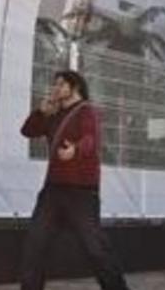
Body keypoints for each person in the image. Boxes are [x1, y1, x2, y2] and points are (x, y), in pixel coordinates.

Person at [19, 70, 130, 290]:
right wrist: (40, 112)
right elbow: (27, 131)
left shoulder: (87, 111)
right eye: (55, 85)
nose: (55, 89)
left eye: (61, 84)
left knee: (95, 249)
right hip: (52, 191)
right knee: (35, 243)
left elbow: (91, 139)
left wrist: (76, 150)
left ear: (75, 87)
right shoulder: (54, 113)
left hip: (81, 192)